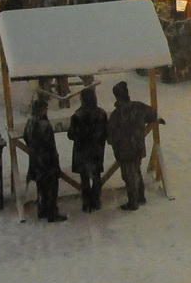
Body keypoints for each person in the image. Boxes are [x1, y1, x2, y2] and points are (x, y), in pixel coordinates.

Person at [107, 79, 161, 211]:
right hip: (138, 147)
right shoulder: (139, 107)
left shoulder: (116, 115)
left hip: (124, 151)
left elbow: (110, 136)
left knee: (128, 175)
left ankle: (133, 202)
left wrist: (115, 142)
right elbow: (153, 113)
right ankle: (140, 196)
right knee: (136, 171)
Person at [23, 93, 66, 221]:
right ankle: (52, 212)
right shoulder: (44, 125)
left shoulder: (30, 122)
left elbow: (26, 137)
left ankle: (42, 209)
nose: (47, 110)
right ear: (41, 109)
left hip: (35, 161)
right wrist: (54, 161)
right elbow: (50, 145)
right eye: (45, 108)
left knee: (41, 186)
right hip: (47, 161)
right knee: (51, 187)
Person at [67, 85, 108, 212]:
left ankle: (86, 202)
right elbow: (106, 131)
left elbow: (71, 135)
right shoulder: (102, 114)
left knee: (84, 178)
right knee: (96, 177)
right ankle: (96, 200)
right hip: (96, 150)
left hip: (82, 151)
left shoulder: (77, 116)